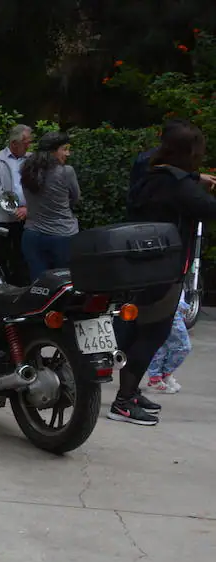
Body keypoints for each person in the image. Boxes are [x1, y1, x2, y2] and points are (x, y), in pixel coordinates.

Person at [111, 121, 216, 426]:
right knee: (153, 332)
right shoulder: (178, 186)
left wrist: (195, 179)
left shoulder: (151, 173)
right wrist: (196, 184)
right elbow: (208, 209)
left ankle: (129, 392)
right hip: (164, 269)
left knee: (137, 329)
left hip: (143, 265)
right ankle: (123, 402)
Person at [19, 132, 80, 281]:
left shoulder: (27, 169)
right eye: (64, 149)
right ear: (53, 151)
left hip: (32, 235)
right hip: (62, 235)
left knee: (39, 286)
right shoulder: (66, 172)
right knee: (65, 286)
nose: (68, 153)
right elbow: (76, 198)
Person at [0, 123, 32, 284]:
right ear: (14, 143)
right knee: (1, 256)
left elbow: (37, 188)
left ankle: (23, 289)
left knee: (23, 256)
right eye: (26, 142)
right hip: (3, 217)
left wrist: (28, 209)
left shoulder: (31, 159)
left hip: (27, 217)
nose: (29, 146)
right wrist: (15, 209)